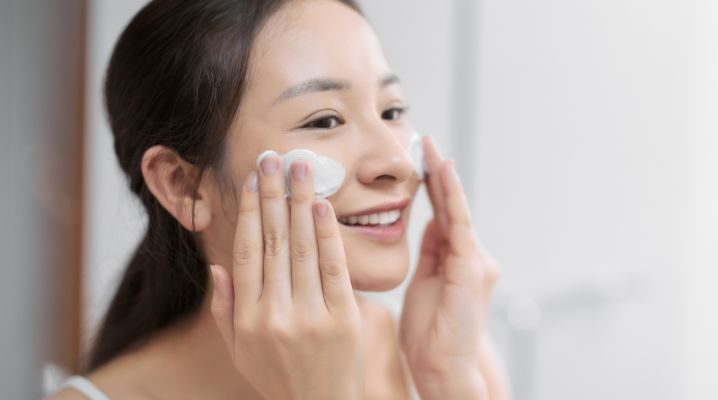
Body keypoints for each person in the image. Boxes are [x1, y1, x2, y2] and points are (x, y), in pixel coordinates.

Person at [49, 0, 508, 398]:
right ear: (183, 186)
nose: (397, 163)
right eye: (325, 121)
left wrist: (448, 382)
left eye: (391, 111)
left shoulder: (446, 358)